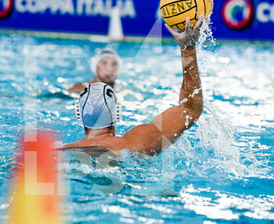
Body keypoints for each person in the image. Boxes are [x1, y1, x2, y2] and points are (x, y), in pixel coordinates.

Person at [63, 16, 204, 156]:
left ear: (79, 114)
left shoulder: (57, 153)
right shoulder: (136, 144)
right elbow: (190, 109)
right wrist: (188, 49)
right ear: (117, 112)